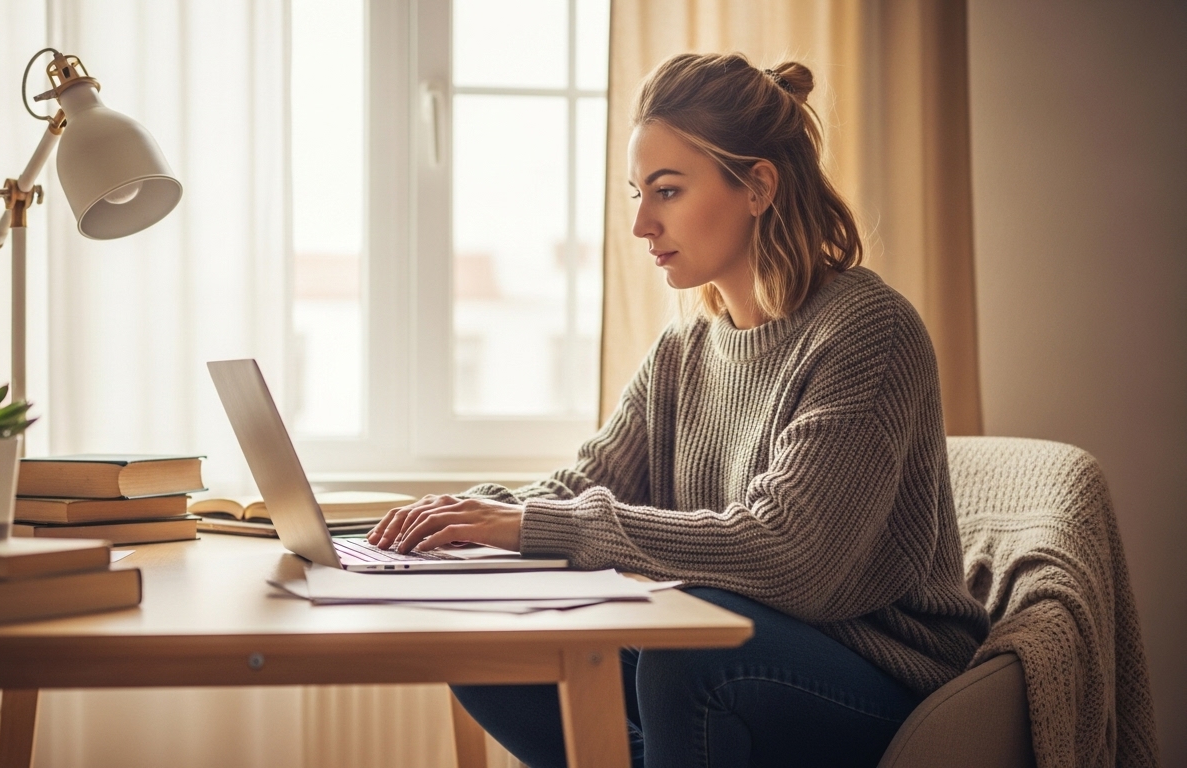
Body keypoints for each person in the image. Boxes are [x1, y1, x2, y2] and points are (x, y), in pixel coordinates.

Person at [367, 52, 989, 768]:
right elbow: (581, 489)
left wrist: (534, 524)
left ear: (757, 186)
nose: (639, 224)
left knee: (686, 652)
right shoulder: (686, 346)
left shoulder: (866, 330)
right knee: (490, 648)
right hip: (743, 655)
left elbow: (793, 558)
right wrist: (465, 522)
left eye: (665, 191)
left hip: (882, 674)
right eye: (636, 191)